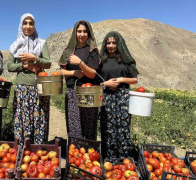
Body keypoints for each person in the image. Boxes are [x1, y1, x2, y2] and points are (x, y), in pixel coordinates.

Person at [8, 13, 51, 145]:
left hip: (39, 88)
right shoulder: (15, 45)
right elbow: (10, 66)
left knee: (40, 120)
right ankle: (23, 151)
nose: (28, 26)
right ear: (21, 25)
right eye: (25, 23)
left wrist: (34, 58)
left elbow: (48, 63)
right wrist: (23, 65)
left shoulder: (41, 43)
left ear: (34, 25)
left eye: (31, 23)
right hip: (22, 89)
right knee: (22, 120)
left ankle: (38, 150)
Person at [99, 31, 139, 159]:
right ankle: (109, 158)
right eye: (108, 43)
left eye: (114, 43)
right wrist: (106, 83)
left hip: (123, 97)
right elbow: (96, 82)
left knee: (123, 127)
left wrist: (121, 79)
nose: (110, 45)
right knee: (107, 128)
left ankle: (124, 158)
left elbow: (135, 80)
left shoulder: (126, 61)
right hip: (106, 97)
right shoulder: (101, 62)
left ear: (119, 44)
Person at [58, 20, 100, 140]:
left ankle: (90, 153)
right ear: (75, 33)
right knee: (74, 125)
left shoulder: (92, 51)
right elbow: (61, 71)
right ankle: (75, 153)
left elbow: (92, 74)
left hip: (89, 92)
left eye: (85, 31)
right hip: (72, 92)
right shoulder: (68, 51)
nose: (82, 34)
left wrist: (80, 63)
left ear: (89, 33)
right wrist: (74, 72)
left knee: (89, 125)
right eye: (79, 31)